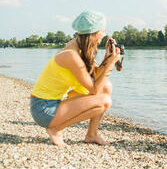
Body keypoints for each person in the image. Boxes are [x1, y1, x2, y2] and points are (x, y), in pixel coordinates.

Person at [29, 10, 121, 147]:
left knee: (106, 86)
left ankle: (92, 134)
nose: (104, 34)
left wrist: (107, 58)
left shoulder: (78, 45)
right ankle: (55, 128)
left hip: (53, 103)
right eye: (102, 31)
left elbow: (96, 77)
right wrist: (110, 64)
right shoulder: (71, 55)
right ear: (94, 33)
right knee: (104, 101)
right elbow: (94, 89)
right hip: (43, 109)